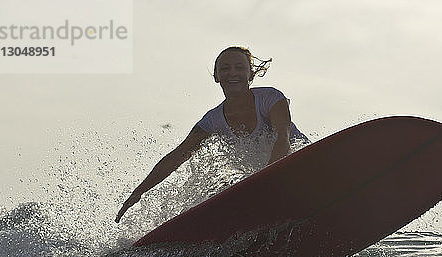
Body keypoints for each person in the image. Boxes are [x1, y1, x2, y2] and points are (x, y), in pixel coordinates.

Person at [115, 46, 309, 223]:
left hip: (301, 167)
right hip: (264, 187)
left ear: (250, 74)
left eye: (240, 68)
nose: (233, 73)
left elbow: (283, 139)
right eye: (225, 68)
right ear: (216, 76)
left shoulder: (271, 99)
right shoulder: (212, 121)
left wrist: (265, 182)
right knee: (220, 185)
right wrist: (139, 192)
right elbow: (177, 156)